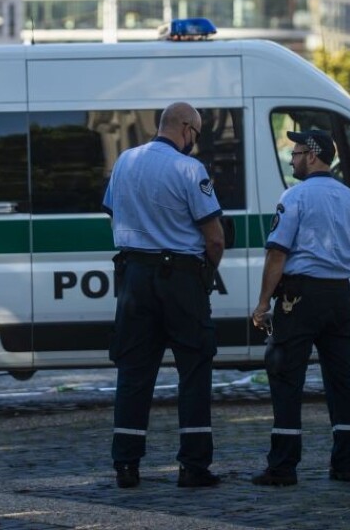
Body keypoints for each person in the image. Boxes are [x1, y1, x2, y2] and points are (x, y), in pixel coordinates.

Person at [102, 102, 225, 489]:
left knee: (134, 372)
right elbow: (215, 238)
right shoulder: (190, 169)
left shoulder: (125, 160)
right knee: (194, 369)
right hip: (181, 279)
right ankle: (193, 466)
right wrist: (207, 272)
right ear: (187, 128)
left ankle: (126, 464)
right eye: (197, 134)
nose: (195, 142)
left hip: (134, 277)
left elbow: (114, 211)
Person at [250, 129, 350, 486]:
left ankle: (283, 466)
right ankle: (346, 464)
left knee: (287, 378)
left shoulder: (295, 197)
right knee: (342, 381)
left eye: (297, 152)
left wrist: (263, 303)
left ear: (313, 155)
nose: (292, 159)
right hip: (337, 296)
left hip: (298, 298)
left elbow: (277, 254)